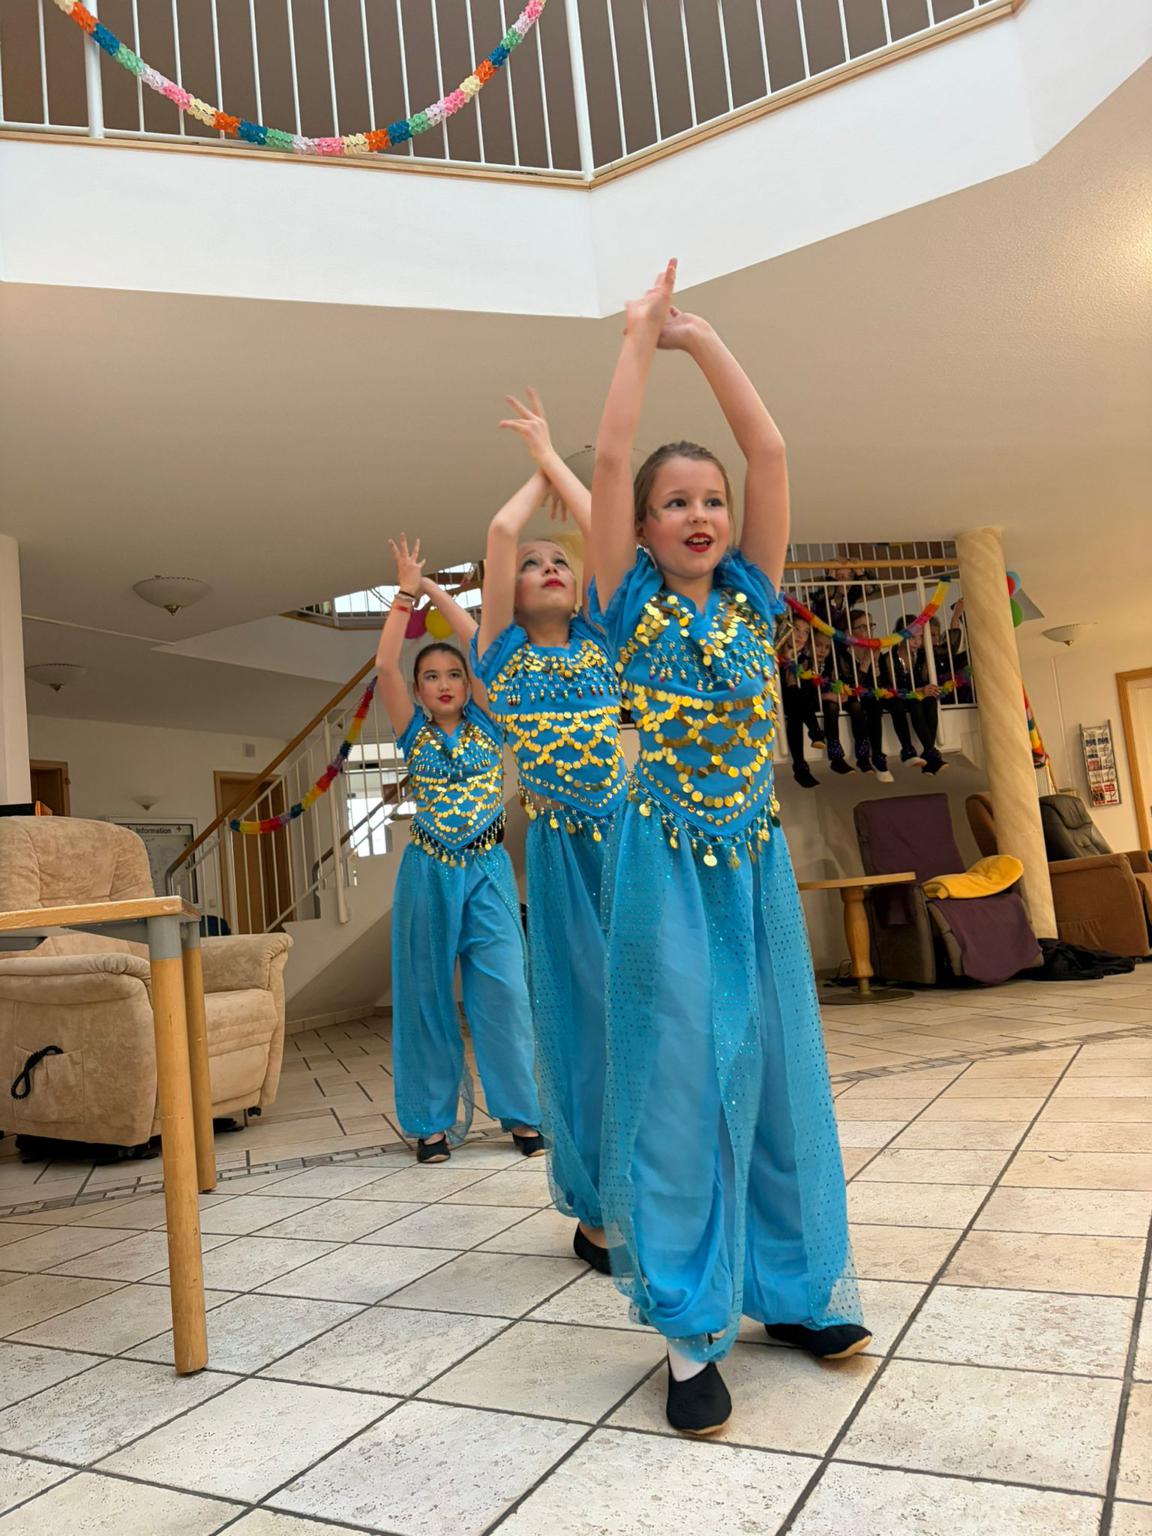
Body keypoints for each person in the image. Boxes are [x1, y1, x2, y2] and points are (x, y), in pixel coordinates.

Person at [589, 260, 867, 1439]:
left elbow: (773, 451)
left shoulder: (754, 593)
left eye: (710, 499)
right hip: (662, 868)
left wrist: (703, 341)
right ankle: (687, 1328)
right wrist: (638, 343)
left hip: (752, 860)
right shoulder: (621, 601)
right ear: (643, 530)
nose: (702, 513)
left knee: (783, 1079)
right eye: (676, 503)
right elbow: (610, 455)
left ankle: (793, 1292)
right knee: (682, 1090)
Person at [472, 389, 628, 1274]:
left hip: (631, 841)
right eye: (533, 566)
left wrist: (560, 467)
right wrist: (539, 465)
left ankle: (658, 1181)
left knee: (649, 1008)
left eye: (558, 559)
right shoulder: (501, 654)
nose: (547, 566)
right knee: (584, 1020)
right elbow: (501, 532)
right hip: (563, 856)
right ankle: (598, 1207)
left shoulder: (604, 635)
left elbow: (605, 526)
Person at [374, 536, 544, 1165]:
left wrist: (435, 590)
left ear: (468, 685)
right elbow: (384, 666)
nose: (444, 683)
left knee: (505, 993)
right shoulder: (412, 731)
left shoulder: (490, 721)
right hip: (427, 871)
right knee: (424, 996)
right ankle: (430, 1124)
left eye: (453, 675)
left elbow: (481, 644)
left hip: (489, 869)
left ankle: (523, 1114)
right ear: (418, 691)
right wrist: (404, 595)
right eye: (431, 677)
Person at [888, 617, 947, 774]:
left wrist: (927, 689)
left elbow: (950, 649)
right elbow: (894, 688)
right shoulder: (890, 657)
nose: (917, 642)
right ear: (900, 636)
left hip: (915, 696)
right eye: (912, 637)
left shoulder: (921, 656)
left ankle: (928, 751)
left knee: (931, 700)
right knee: (914, 701)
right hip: (896, 697)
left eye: (920, 637)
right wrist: (920, 690)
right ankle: (930, 753)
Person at [841, 611, 893, 782]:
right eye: (863, 627)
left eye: (870, 626)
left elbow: (881, 686)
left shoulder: (875, 652)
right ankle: (862, 755)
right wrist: (865, 663)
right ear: (849, 632)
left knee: (876, 705)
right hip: (850, 698)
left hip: (870, 697)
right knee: (856, 707)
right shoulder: (843, 655)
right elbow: (852, 687)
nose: (868, 631)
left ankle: (878, 755)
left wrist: (875, 663)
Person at [776, 615, 824, 789]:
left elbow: (807, 688)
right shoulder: (774, 654)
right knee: (795, 700)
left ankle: (801, 766)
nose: (800, 636)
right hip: (779, 702)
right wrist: (787, 661)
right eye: (796, 629)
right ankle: (815, 732)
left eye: (806, 632)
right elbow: (782, 686)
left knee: (796, 713)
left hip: (798, 705)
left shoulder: (805, 660)